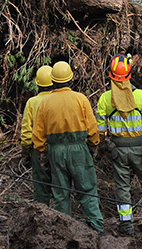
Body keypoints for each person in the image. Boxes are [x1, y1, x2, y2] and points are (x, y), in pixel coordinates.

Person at [95, 54, 142, 236]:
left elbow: (99, 129)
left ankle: (126, 225)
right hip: (139, 149)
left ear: (111, 75)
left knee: (122, 187)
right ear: (130, 74)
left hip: (117, 151)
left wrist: (101, 146)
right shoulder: (141, 96)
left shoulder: (105, 99)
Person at [32, 61, 104, 232]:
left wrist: (43, 153)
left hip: (55, 152)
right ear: (71, 79)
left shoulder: (45, 103)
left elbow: (38, 135)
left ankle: (64, 231)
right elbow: (93, 129)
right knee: (87, 189)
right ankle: (96, 228)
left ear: (53, 81)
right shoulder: (81, 99)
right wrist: (93, 145)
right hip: (79, 149)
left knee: (60, 194)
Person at [19, 65, 55, 205]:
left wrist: (26, 152)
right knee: (60, 185)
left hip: (38, 150)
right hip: (58, 147)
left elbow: (27, 132)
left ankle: (42, 214)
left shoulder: (32, 102)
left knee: (40, 186)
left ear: (38, 84)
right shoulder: (59, 100)